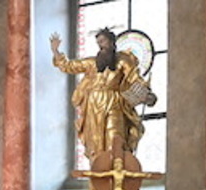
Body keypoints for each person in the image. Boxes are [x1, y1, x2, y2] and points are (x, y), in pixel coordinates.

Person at [50, 29, 156, 163]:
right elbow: (70, 66)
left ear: (112, 42)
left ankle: (117, 168)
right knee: (96, 142)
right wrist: (55, 51)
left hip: (114, 102)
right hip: (93, 105)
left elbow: (134, 79)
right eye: (98, 43)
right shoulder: (92, 63)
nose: (101, 46)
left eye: (103, 41)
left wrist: (147, 95)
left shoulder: (123, 61)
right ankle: (98, 170)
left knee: (115, 136)